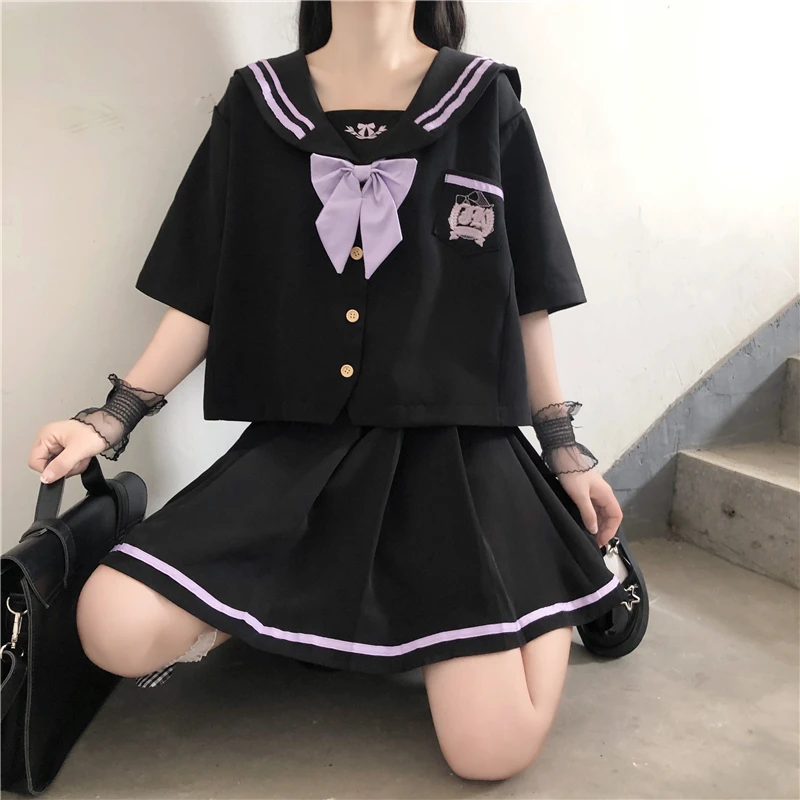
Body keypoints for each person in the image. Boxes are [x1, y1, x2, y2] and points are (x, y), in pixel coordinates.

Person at [27, 0, 630, 782]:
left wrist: (563, 450)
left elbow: (528, 299)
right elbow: (202, 292)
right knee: (112, 627)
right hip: (302, 451)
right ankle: (308, 613)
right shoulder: (256, 104)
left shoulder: (485, 100)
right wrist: (110, 419)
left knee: (490, 751)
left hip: (456, 455)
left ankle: (551, 576)